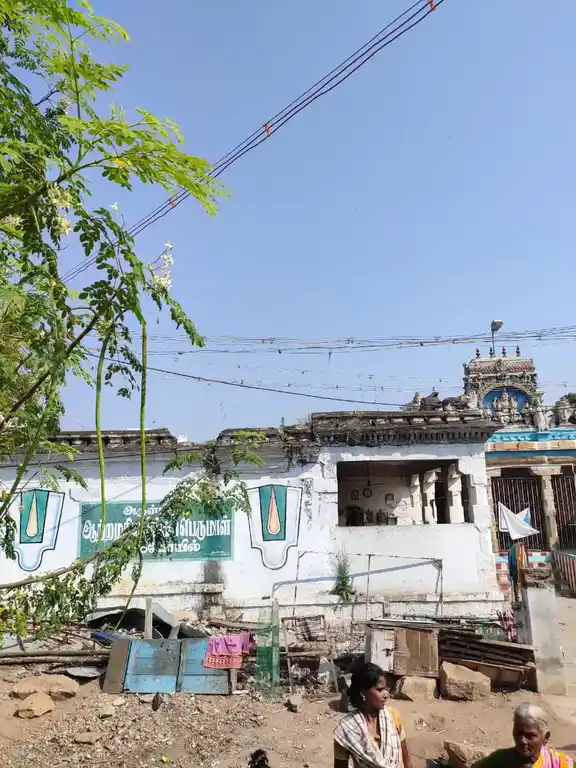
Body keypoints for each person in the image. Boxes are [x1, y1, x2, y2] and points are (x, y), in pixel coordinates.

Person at [333, 661, 412, 768]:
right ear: (362, 692)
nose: (386, 694)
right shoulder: (347, 730)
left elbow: (407, 762)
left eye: (386, 689)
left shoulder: (393, 717)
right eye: (380, 689)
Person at [473, 702, 573, 768]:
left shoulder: (561, 764)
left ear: (545, 737)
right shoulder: (499, 760)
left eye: (530, 736)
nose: (522, 740)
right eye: (518, 733)